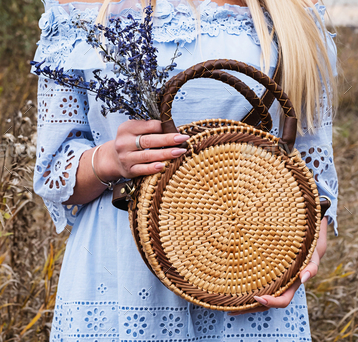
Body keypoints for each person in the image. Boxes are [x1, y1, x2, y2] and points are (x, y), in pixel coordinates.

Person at [32, 0, 339, 340]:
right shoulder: (82, 8)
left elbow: (310, 180)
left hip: (251, 266)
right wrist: (109, 160)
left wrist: (301, 264)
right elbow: (53, 172)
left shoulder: (292, 11)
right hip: (122, 271)